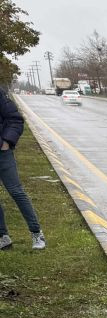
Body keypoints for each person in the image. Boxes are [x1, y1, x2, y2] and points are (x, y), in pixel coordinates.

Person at [0, 87, 45, 251]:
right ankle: (3, 237)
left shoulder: (0, 95)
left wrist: (6, 142)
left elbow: (15, 119)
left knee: (16, 191)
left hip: (2, 153)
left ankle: (36, 233)